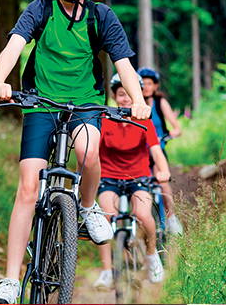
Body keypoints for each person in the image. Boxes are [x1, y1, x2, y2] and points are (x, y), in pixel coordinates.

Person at [0, 0, 150, 304]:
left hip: (86, 104)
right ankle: (11, 281)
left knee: (90, 154)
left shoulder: (101, 16)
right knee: (28, 186)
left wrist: (138, 101)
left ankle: (87, 205)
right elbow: (15, 44)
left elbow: (124, 65)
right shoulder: (40, 9)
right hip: (41, 103)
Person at [93, 74, 171, 289]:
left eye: (129, 94)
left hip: (138, 177)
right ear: (114, 96)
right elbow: (92, 151)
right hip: (109, 177)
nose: (125, 99)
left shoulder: (143, 120)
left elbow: (156, 150)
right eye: (120, 94)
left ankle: (152, 257)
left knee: (144, 214)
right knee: (105, 218)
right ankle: (107, 271)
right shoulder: (105, 119)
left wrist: (163, 171)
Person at [137, 66, 183, 235]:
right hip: (139, 152)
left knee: (163, 183)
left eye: (150, 83)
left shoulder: (159, 103)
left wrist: (170, 134)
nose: (146, 87)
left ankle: (171, 217)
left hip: (157, 151)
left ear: (156, 86)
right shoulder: (134, 103)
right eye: (143, 83)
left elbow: (176, 127)